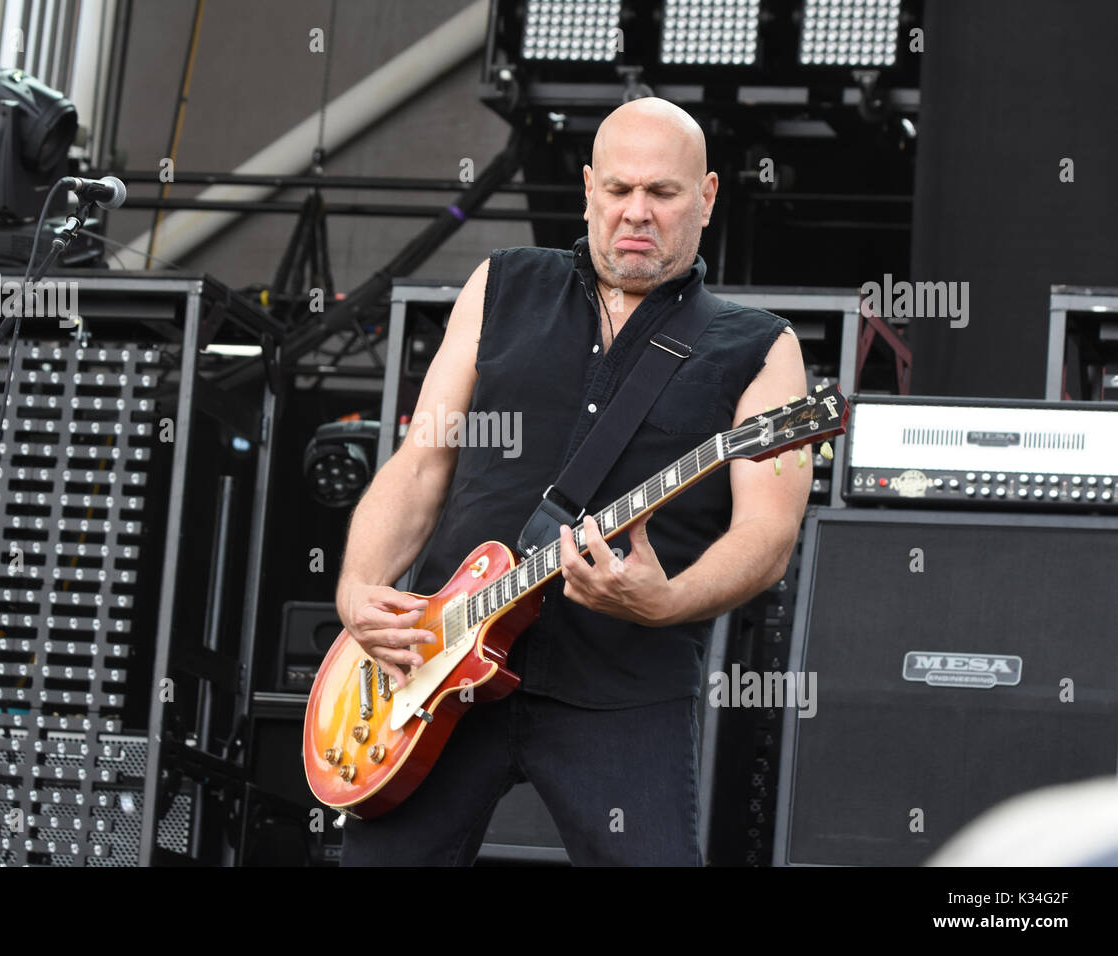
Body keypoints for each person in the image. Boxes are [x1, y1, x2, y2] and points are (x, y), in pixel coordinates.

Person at [334, 97, 812, 866]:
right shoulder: (501, 285)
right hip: (441, 667)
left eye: (663, 193)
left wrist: (669, 602)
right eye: (618, 190)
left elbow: (768, 533)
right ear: (588, 187)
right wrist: (358, 588)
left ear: (708, 196)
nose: (637, 213)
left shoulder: (760, 349)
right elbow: (422, 463)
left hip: (625, 686)